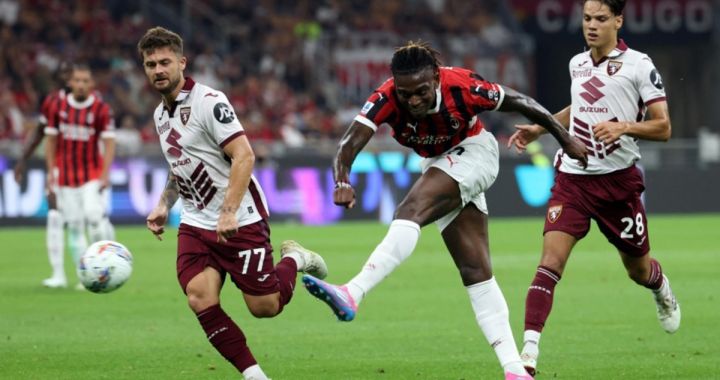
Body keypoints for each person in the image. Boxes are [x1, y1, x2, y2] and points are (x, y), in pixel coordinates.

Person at [301, 41, 588, 380]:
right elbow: (349, 141)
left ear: (435, 78)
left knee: (410, 209)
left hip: (477, 152)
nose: (413, 100)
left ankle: (353, 292)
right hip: (440, 163)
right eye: (406, 94)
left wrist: (564, 138)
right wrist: (341, 180)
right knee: (476, 273)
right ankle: (515, 369)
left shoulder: (462, 86)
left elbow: (521, 102)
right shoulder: (387, 96)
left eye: (421, 91)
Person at [138, 26, 328, 380]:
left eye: (165, 62)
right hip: (195, 222)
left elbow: (244, 156)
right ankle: (254, 375)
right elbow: (179, 165)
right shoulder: (160, 116)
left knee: (265, 307)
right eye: (151, 64)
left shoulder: (209, 102)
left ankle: (295, 258)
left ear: (182, 62)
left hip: (239, 217)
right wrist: (164, 203)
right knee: (199, 297)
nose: (158, 70)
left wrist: (227, 212)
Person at [507, 0, 680, 376]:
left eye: (601, 19)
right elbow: (580, 105)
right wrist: (543, 126)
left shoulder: (640, 65)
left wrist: (624, 126)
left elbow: (663, 127)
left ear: (618, 21)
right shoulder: (578, 63)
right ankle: (527, 356)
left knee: (638, 270)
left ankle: (660, 285)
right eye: (587, 18)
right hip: (573, 180)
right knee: (549, 264)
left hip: (618, 185)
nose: (592, 26)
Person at [43, 63, 117, 289]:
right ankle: (87, 276)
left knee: (94, 217)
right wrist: (50, 171)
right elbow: (51, 140)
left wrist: (105, 174)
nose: (82, 85)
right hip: (65, 177)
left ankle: (106, 263)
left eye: (86, 81)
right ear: (70, 82)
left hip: (91, 175)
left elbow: (109, 142)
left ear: (92, 84)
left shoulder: (101, 109)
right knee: (74, 226)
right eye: (78, 80)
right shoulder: (58, 107)